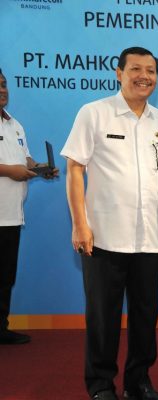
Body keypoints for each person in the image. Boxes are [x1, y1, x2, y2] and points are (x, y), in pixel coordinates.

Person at [61, 47, 158, 400]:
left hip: (149, 238)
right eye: (135, 69)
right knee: (103, 319)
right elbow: (74, 169)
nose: (144, 75)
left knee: (146, 316)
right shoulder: (94, 113)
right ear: (119, 73)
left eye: (150, 70)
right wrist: (79, 224)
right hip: (103, 237)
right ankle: (100, 385)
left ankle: (138, 382)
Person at [0, 68, 58, 345]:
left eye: (3, 85)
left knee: (5, 276)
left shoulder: (15, 124)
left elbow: (26, 161)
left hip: (11, 215)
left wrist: (41, 169)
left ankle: (1, 328)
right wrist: (8, 170)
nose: (2, 90)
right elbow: (12, 167)